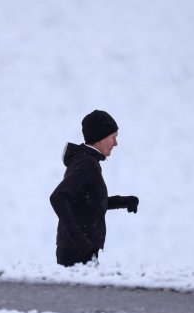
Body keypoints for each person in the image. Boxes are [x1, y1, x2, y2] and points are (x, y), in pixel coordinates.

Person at [49, 110, 139, 267]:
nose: (116, 144)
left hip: (78, 249)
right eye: (113, 137)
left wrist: (124, 201)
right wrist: (81, 242)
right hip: (77, 251)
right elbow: (58, 197)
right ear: (101, 138)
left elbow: (88, 202)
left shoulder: (87, 161)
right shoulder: (87, 164)